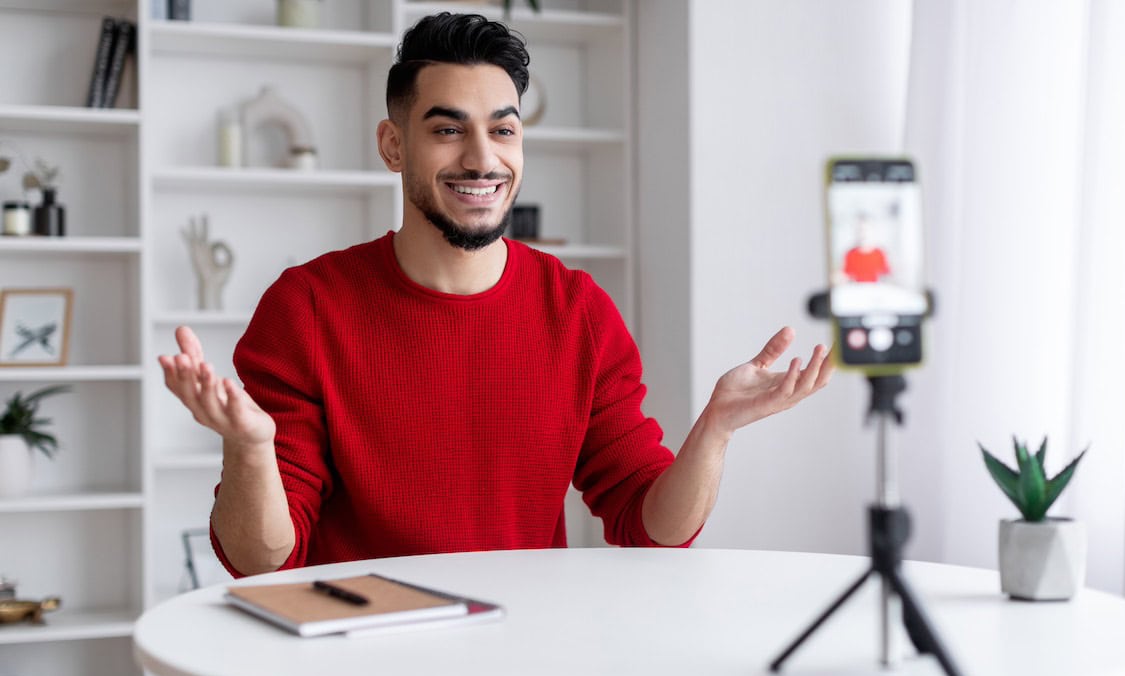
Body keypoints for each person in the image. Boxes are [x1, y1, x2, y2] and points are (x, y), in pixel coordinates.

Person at [158, 13, 833, 578]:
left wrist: (713, 432)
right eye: (448, 130)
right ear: (394, 146)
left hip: (525, 660)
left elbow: (649, 526)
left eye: (503, 130)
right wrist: (250, 448)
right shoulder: (307, 308)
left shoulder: (578, 312)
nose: (482, 158)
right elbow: (261, 560)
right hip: (358, 665)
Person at [838, 212, 891, 284]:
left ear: (873, 231)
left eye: (866, 230)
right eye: (859, 230)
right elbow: (845, 277)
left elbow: (886, 277)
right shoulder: (850, 254)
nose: (862, 234)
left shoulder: (880, 253)